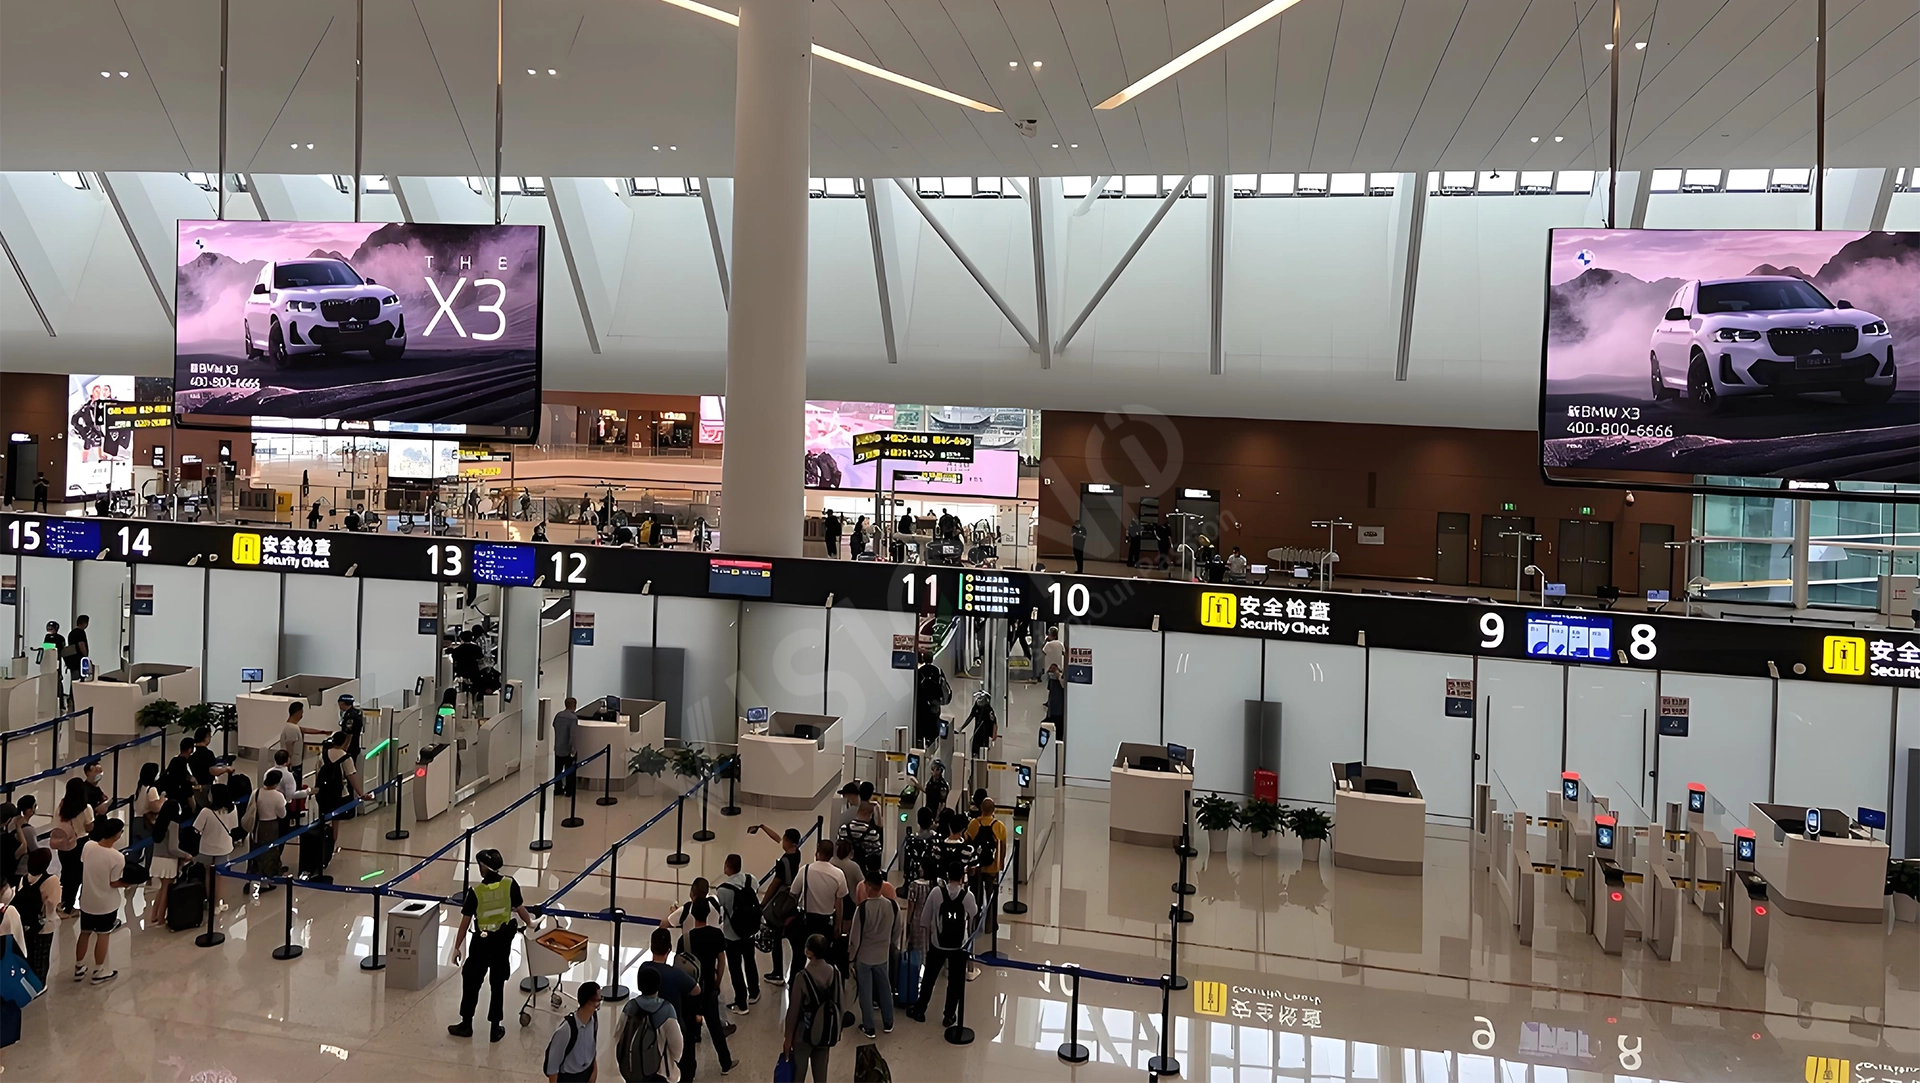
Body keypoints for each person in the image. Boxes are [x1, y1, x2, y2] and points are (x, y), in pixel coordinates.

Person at [449, 848, 537, 1042]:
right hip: (502, 943)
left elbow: (464, 924)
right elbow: (520, 908)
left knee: (471, 982)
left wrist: (456, 947)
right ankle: (495, 1028)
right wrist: (530, 923)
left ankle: (466, 1024)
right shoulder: (509, 884)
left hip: (482, 943)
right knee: (497, 985)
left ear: (483, 867)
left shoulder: (476, 892)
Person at [908, 863, 977, 1027]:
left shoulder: (936, 892)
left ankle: (920, 1010)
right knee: (955, 982)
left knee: (929, 978)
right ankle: (949, 1015)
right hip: (959, 947)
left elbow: (924, 920)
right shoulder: (968, 896)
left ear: (947, 875)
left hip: (937, 944)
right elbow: (974, 915)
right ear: (962, 877)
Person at [637, 927, 700, 1082]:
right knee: (684, 1062)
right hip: (674, 1026)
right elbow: (696, 990)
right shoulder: (676, 974)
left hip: (648, 1027)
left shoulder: (644, 968)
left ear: (651, 946)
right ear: (670, 948)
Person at [683, 898, 737, 1075]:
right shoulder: (716, 934)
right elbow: (722, 961)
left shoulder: (686, 939)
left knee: (689, 1029)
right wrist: (717, 982)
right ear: (708, 913)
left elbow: (680, 966)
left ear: (692, 914)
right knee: (715, 1027)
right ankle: (725, 1063)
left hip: (691, 989)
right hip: (709, 987)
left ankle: (688, 1069)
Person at [74, 817, 128, 984]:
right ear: (117, 835)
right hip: (105, 904)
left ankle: (79, 966)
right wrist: (128, 883)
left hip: (87, 900)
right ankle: (99, 970)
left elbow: (84, 863)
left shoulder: (88, 846)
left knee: (85, 933)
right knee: (103, 935)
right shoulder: (117, 857)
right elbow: (113, 882)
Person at [848, 867, 899, 1038]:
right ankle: (888, 1021)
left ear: (869, 886)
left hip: (864, 956)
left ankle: (869, 1026)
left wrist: (850, 957)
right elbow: (897, 929)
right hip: (882, 954)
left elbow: (855, 937)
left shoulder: (862, 909)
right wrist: (889, 943)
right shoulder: (892, 905)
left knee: (865, 990)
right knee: (885, 987)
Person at [782, 934, 841, 1083]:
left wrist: (788, 1038)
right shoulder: (835, 973)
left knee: (799, 1073)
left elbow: (793, 1010)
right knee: (821, 1075)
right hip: (825, 1031)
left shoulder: (802, 977)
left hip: (804, 1034)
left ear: (809, 953)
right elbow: (841, 1004)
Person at [752, 824, 803, 985]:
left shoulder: (783, 862)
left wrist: (763, 903)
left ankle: (778, 973)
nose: (782, 841)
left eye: (785, 839)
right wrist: (762, 827)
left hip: (780, 902)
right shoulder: (797, 854)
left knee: (776, 936)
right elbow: (777, 838)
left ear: (789, 841)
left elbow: (775, 883)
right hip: (792, 899)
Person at [790, 841, 847, 980]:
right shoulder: (838, 874)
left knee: (798, 957)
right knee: (825, 957)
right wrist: (838, 925)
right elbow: (839, 903)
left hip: (806, 920)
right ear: (831, 855)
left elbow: (793, 892)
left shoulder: (806, 869)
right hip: (825, 922)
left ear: (817, 853)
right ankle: (824, 986)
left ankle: (794, 987)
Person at [621, 965, 686, 1083]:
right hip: (660, 1072)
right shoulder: (667, 1010)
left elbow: (619, 1035)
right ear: (658, 985)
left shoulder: (630, 1006)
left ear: (639, 985)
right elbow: (677, 1046)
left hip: (633, 1068)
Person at [713, 854, 759, 1015]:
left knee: (735, 968)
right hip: (750, 931)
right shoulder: (750, 879)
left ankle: (741, 1003)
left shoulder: (723, 890)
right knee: (750, 961)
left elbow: (720, 909)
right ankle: (754, 992)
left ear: (727, 866)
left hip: (732, 934)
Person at [192, 783, 238, 912]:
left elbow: (196, 828)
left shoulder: (206, 811)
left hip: (206, 847)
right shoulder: (232, 809)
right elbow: (234, 826)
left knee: (208, 874)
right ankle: (218, 904)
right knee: (220, 876)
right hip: (224, 847)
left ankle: (210, 901)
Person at [544, 980, 602, 1083]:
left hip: (587, 1073)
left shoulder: (593, 1019)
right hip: (569, 1078)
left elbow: (591, 1047)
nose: (599, 1003)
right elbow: (553, 1066)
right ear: (588, 1002)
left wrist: (594, 1070)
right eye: (598, 1000)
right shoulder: (566, 1030)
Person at [53, 776, 95, 915]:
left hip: (64, 842)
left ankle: (64, 902)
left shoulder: (62, 805)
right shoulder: (86, 808)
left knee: (66, 872)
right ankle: (70, 907)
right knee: (77, 875)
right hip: (80, 843)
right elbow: (89, 828)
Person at [18, 849, 56, 981]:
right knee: (42, 957)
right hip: (44, 925)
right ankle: (40, 983)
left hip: (27, 924)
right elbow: (52, 904)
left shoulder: (23, 879)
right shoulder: (51, 880)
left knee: (29, 954)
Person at [250, 769, 291, 878]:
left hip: (258, 824)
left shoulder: (256, 792)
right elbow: (282, 814)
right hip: (271, 825)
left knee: (258, 848)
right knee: (271, 850)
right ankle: (270, 873)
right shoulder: (278, 796)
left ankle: (257, 870)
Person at [279, 701, 322, 785]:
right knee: (295, 785)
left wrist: (322, 732)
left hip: (296, 762)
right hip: (294, 763)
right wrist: (289, 762)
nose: (302, 715)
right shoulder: (292, 728)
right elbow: (289, 746)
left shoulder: (293, 726)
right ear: (298, 713)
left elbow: (304, 730)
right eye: (301, 712)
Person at [913, 651, 949, 749]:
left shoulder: (920, 671)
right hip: (935, 704)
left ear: (923, 659)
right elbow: (944, 687)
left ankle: (920, 750)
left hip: (922, 705)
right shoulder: (938, 671)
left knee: (921, 729)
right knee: (933, 727)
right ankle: (932, 749)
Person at [553, 697, 580, 797]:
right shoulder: (573, 718)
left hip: (558, 747)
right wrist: (573, 749)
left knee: (558, 770)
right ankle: (569, 791)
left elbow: (554, 725)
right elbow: (572, 735)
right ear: (574, 705)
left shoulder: (558, 715)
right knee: (570, 770)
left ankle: (558, 789)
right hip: (568, 749)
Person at [335, 693, 365, 758]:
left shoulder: (350, 716)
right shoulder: (357, 712)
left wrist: (344, 747)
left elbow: (349, 734)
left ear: (342, 703)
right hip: (355, 744)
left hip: (350, 746)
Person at [1044, 663, 1067, 742]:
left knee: (1057, 728)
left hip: (1058, 710)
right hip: (1055, 708)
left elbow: (1064, 684)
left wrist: (1058, 675)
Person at [66, 613, 91, 681]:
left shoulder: (71, 633)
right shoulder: (81, 632)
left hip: (71, 659)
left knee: (74, 679)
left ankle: (72, 691)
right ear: (85, 623)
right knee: (81, 679)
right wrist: (85, 656)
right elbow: (81, 644)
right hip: (79, 659)